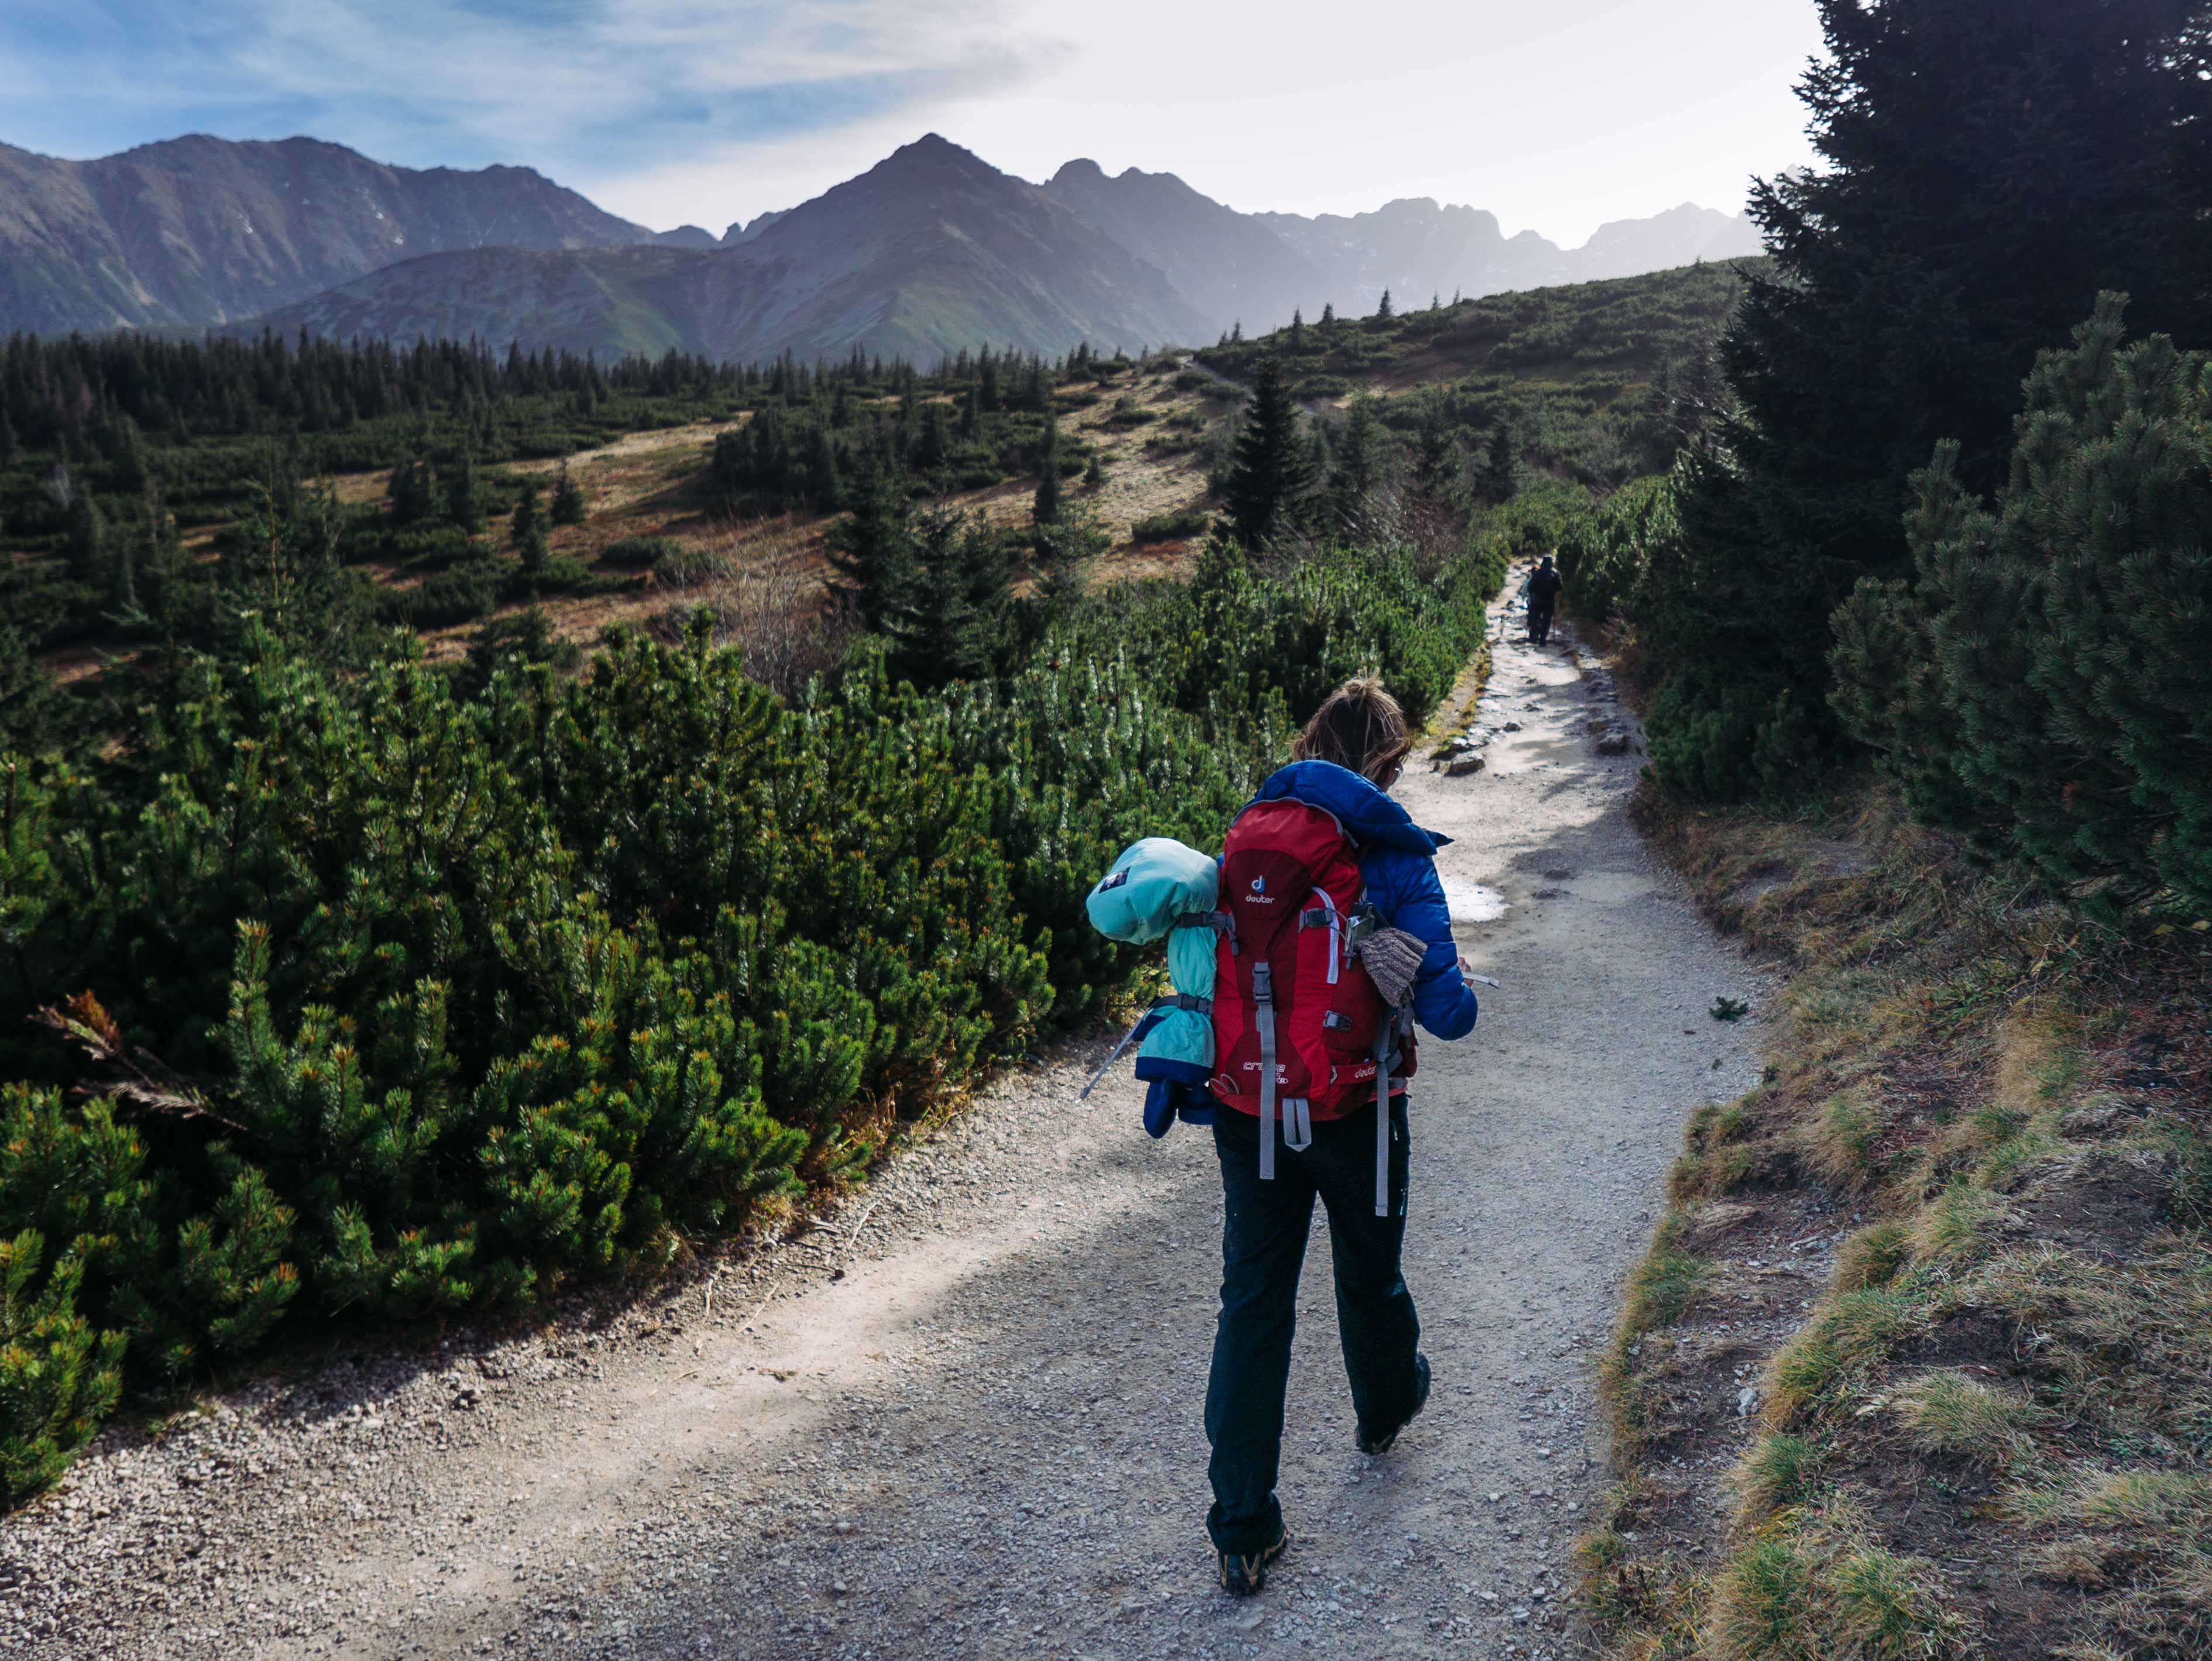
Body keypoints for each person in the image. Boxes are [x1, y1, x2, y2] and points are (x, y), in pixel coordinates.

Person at [1205, 679, 1479, 1597]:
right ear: (1392, 759)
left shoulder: (1250, 830)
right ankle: (1385, 1408)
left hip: (1250, 1108)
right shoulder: (1394, 853)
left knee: (1253, 1304)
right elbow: (1452, 1016)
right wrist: (1439, 966)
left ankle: (1243, 1529)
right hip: (1357, 1110)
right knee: (1368, 1272)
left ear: (1312, 741)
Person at [1526, 555, 1563, 645]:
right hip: (1549, 601)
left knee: (1535, 619)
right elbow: (1560, 588)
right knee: (1547, 621)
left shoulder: (1537, 574)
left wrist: (1532, 594)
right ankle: (1543, 640)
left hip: (1537, 600)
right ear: (1551, 564)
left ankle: (1534, 637)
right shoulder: (1555, 574)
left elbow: (1530, 587)